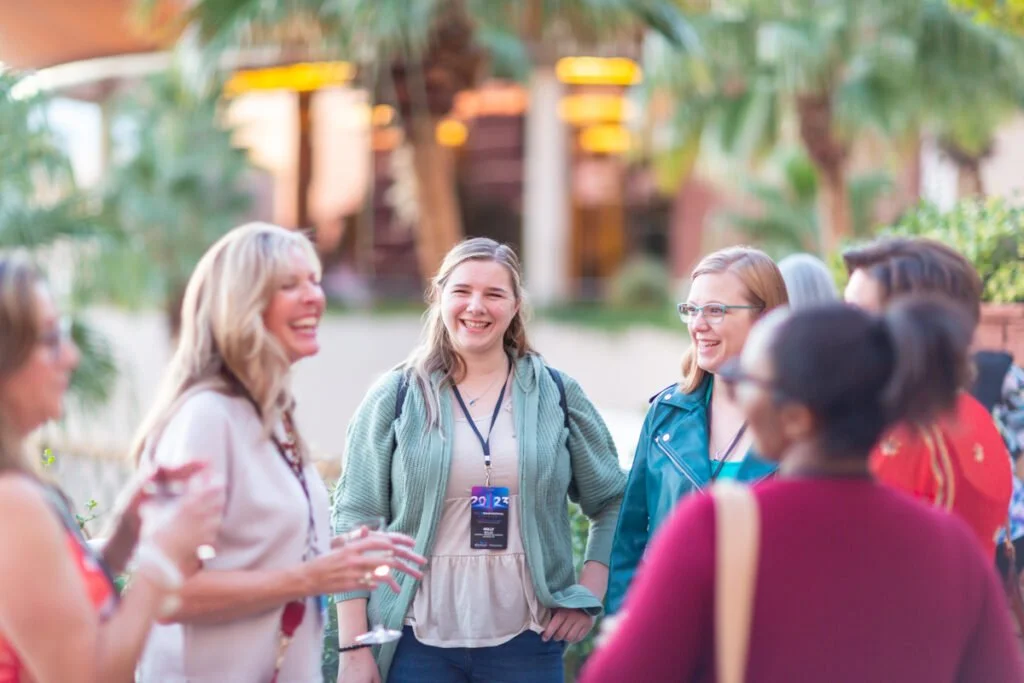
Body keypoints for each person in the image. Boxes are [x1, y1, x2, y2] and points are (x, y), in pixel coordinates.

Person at [581, 299, 1024, 682]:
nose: (738, 396)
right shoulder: (950, 546)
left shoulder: (717, 528)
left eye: (748, 383)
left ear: (797, 417)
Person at [133, 223, 424, 682]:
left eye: (314, 279)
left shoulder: (271, 414)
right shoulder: (208, 416)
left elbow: (249, 550)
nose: (314, 297)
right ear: (242, 306)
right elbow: (168, 593)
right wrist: (312, 577)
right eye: (289, 285)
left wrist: (335, 553)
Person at [332, 237, 626, 683]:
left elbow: (613, 499)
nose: (476, 306)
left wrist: (589, 591)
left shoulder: (557, 394)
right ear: (440, 296)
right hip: (413, 641)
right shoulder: (395, 397)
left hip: (529, 641)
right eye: (462, 291)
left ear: (514, 306)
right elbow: (354, 518)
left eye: (494, 294)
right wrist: (354, 647)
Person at [0, 255, 224, 683]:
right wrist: (162, 557)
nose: (71, 356)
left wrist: (125, 536)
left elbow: (46, 605)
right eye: (49, 340)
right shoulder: (11, 501)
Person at [605, 246, 788, 614]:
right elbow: (629, 540)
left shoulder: (803, 424)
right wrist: (629, 629)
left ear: (767, 318)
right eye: (691, 309)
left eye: (716, 310)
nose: (697, 324)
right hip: (669, 635)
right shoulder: (667, 413)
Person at [843, 237, 1013, 558]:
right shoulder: (966, 413)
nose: (842, 326)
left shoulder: (906, 433)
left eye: (857, 313)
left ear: (915, 326)